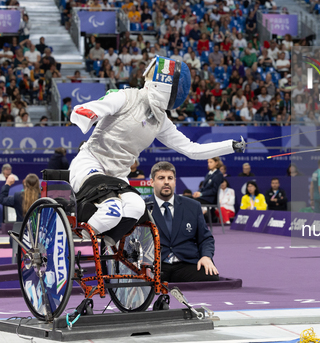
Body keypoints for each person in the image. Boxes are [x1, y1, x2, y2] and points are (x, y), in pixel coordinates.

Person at [68, 55, 246, 246]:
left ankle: (104, 247)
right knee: (112, 211)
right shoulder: (125, 97)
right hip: (91, 164)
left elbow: (192, 149)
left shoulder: (161, 121)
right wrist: (87, 113)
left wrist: (230, 146)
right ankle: (79, 245)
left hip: (117, 177)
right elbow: (82, 110)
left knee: (136, 208)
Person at [148, 162, 219, 282]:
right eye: (161, 178)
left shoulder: (193, 206)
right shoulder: (142, 208)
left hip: (186, 264)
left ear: (175, 181)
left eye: (170, 178)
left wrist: (206, 256)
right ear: (152, 182)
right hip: (155, 266)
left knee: (210, 276)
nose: (166, 182)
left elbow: (205, 238)